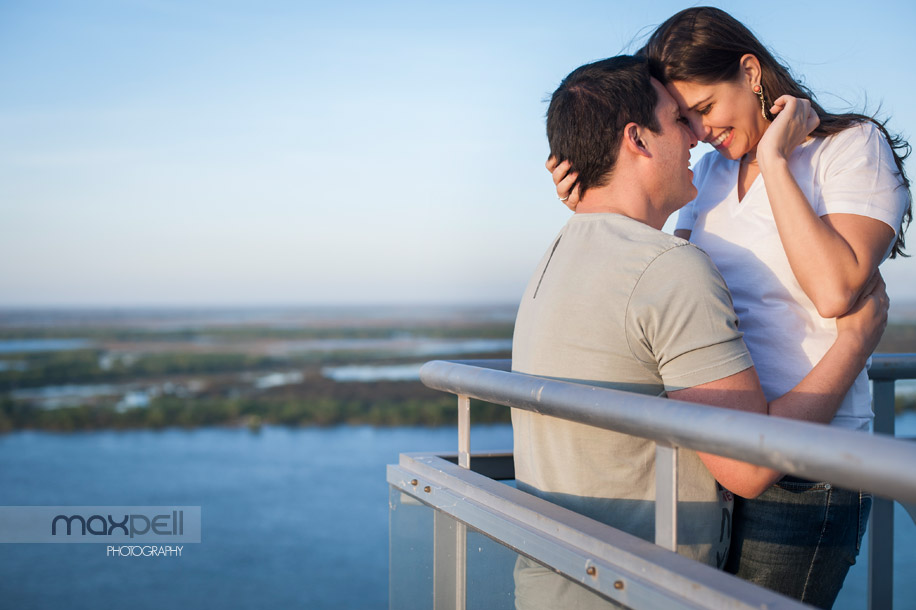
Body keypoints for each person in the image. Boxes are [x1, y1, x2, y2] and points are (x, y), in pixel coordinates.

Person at [548, 8, 911, 608]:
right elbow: (669, 271)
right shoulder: (712, 172)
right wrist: (596, 200)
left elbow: (836, 290)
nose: (700, 132)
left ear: (751, 71)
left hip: (805, 467)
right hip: (719, 457)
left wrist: (773, 162)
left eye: (706, 109)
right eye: (685, 118)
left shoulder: (850, 149)